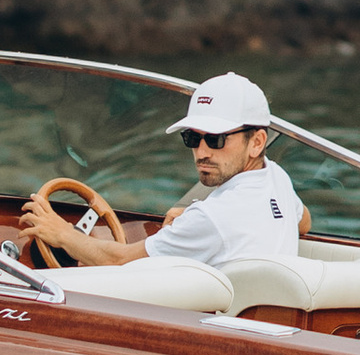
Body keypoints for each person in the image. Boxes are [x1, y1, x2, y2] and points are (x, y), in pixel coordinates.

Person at [18, 70, 304, 272]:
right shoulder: (276, 177)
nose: (202, 152)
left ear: (256, 142)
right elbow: (302, 222)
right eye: (193, 138)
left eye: (216, 140)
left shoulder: (211, 218)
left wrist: (63, 234)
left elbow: (121, 261)